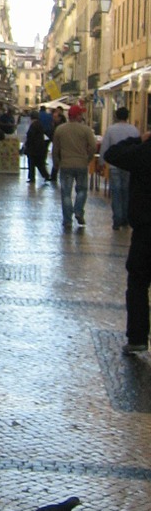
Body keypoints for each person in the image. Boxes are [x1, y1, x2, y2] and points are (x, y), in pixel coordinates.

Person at [103, 129, 151, 353]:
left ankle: (138, 337)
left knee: (138, 282)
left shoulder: (144, 151)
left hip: (145, 230)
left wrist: (138, 139)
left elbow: (112, 153)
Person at [51, 104, 97, 229]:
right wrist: (88, 159)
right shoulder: (86, 130)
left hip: (65, 165)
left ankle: (67, 220)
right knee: (82, 190)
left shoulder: (60, 129)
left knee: (66, 193)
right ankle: (78, 211)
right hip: (81, 164)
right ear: (78, 116)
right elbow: (93, 147)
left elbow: (55, 149)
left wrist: (56, 163)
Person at [100, 106, 140, 229]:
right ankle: (126, 218)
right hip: (129, 166)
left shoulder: (111, 130)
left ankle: (117, 218)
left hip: (114, 166)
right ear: (127, 116)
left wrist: (101, 162)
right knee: (127, 191)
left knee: (116, 193)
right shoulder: (134, 130)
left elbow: (105, 147)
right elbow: (138, 147)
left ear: (116, 116)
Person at [23, 113, 51, 184]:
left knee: (32, 163)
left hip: (33, 148)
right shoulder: (39, 124)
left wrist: (26, 144)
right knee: (39, 163)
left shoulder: (33, 125)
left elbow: (30, 136)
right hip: (39, 147)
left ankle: (32, 178)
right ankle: (46, 175)